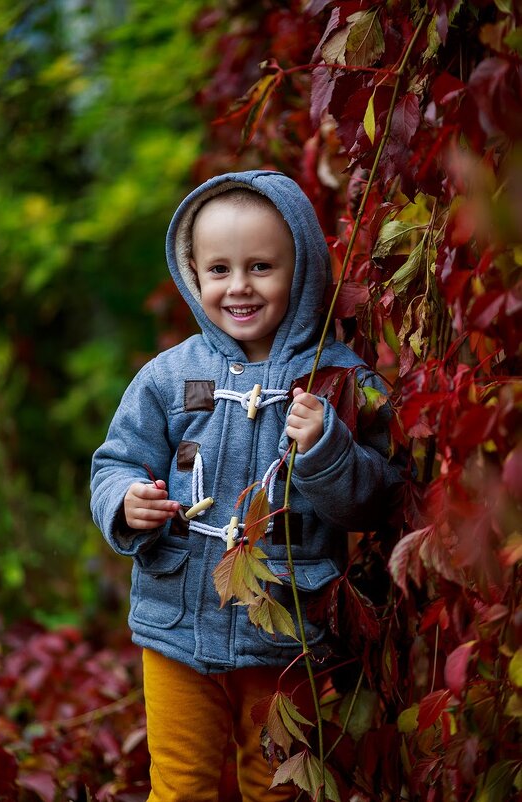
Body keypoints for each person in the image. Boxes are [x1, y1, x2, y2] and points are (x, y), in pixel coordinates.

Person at [90, 170, 400, 802]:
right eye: (218, 269)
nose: (238, 286)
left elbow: (380, 495)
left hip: (286, 632)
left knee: (278, 788)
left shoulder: (338, 378)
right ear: (192, 273)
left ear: (304, 269)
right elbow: (114, 461)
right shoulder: (170, 375)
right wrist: (125, 501)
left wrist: (326, 446)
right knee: (180, 784)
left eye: (261, 266)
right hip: (176, 623)